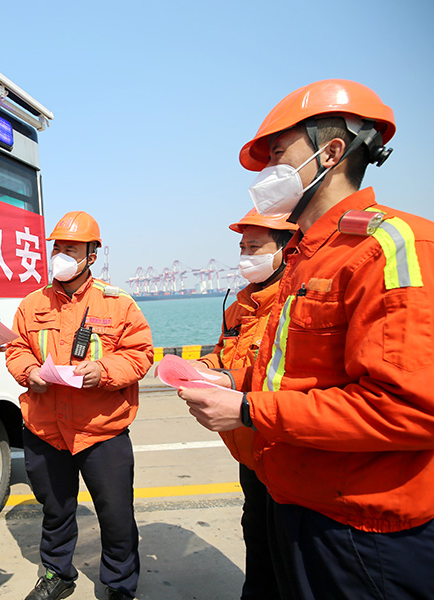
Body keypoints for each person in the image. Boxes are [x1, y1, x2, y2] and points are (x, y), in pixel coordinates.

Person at [180, 79, 434, 600]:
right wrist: (228, 378)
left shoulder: (387, 247)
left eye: (278, 155)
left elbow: (408, 409)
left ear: (332, 152)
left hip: (362, 530)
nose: (269, 172)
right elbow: (291, 371)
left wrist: (248, 411)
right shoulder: (306, 257)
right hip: (295, 498)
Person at [5, 211, 153, 600]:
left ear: (92, 255)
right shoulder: (32, 303)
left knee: (117, 517)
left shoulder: (118, 304)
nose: (61, 255)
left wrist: (103, 370)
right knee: (55, 512)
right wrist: (29, 373)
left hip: (102, 431)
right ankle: (57, 574)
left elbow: (140, 355)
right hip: (45, 430)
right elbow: (16, 350)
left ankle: (120, 584)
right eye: (57, 248)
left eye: (71, 248)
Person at [193, 209, 296, 600]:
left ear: (285, 249)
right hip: (250, 451)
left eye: (255, 247)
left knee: (288, 543)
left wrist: (229, 380)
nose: (244, 256)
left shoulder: (293, 302)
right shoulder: (238, 306)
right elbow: (223, 352)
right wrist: (199, 368)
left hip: (285, 444)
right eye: (242, 247)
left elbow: (284, 372)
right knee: (255, 529)